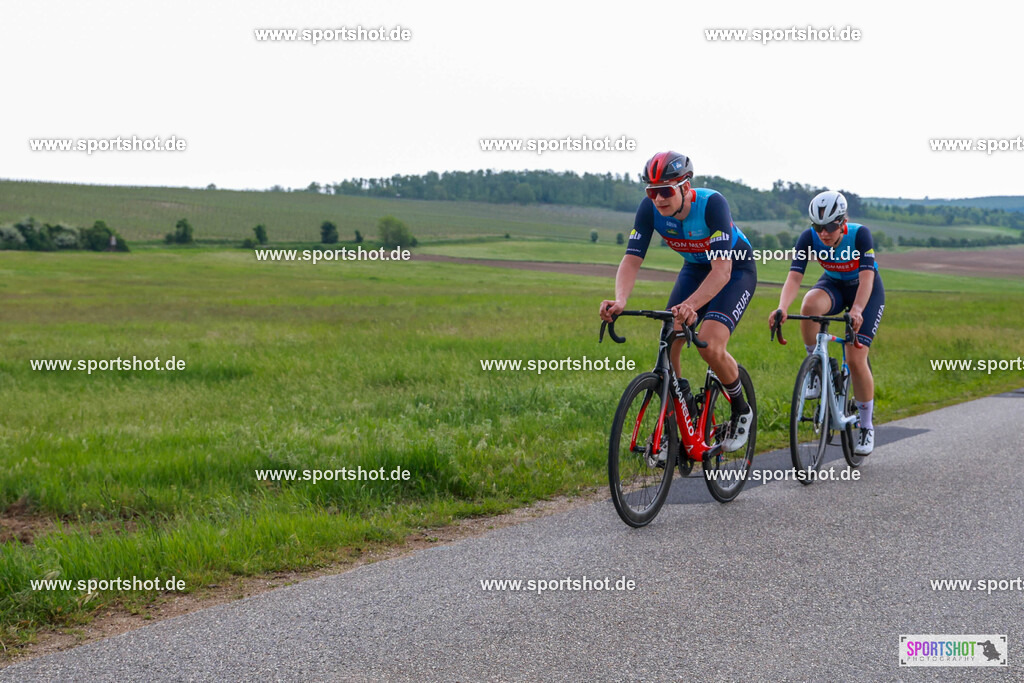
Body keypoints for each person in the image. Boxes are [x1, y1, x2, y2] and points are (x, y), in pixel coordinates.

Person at [600, 151, 757, 451]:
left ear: (685, 187)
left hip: (734, 270)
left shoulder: (713, 205)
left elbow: (722, 272)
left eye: (665, 191)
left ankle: (741, 410)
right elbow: (632, 259)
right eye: (651, 191)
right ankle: (682, 417)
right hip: (696, 268)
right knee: (669, 339)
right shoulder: (649, 210)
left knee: (709, 344)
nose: (658, 199)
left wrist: (692, 305)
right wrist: (620, 299)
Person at [770, 190, 884, 455]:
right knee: (809, 305)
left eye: (830, 227)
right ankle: (817, 368)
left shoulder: (860, 234)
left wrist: (857, 309)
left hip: (864, 289)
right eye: (818, 227)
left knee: (856, 357)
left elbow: (867, 277)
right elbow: (795, 277)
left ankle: (866, 426)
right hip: (833, 284)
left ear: (843, 222)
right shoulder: (808, 238)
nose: (823, 233)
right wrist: (781, 307)